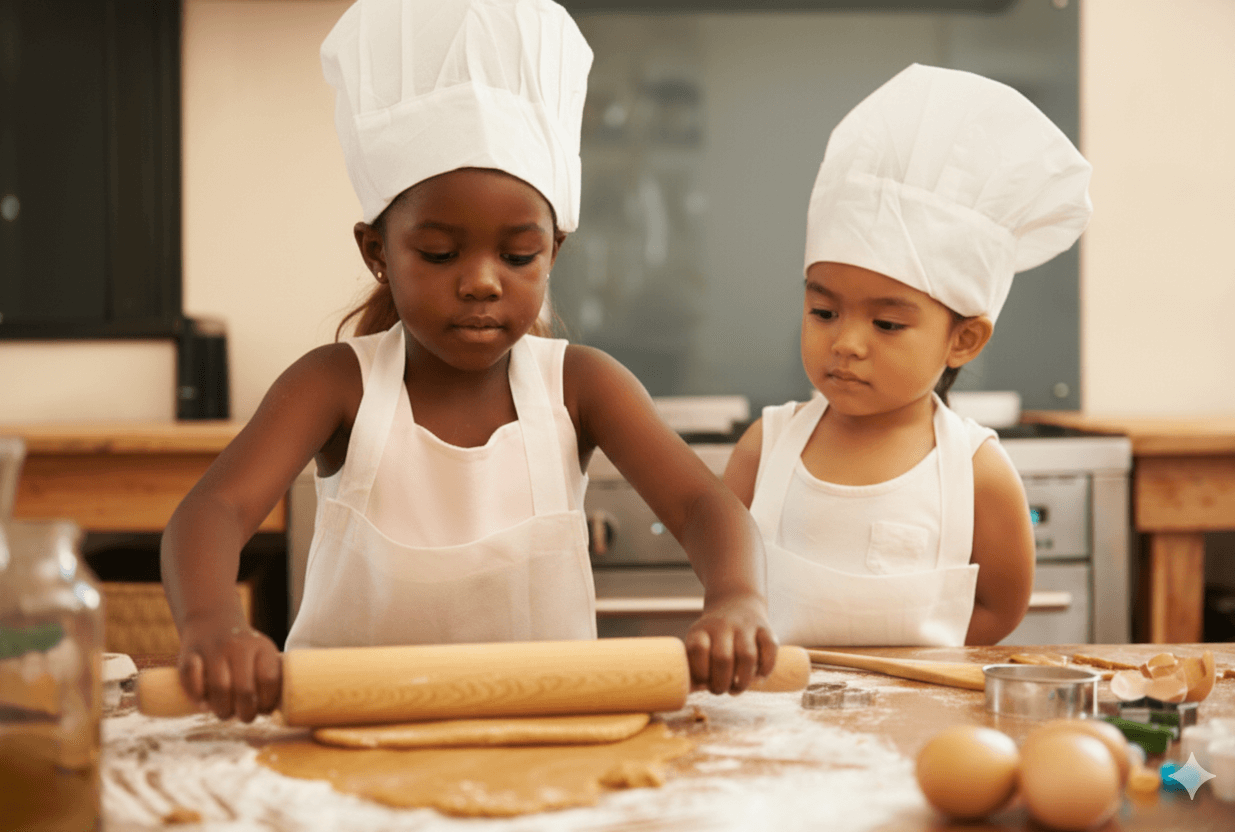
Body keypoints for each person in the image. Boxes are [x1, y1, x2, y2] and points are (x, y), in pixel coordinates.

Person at [161, 0, 776, 723]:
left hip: (549, 738)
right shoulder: (336, 385)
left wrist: (736, 598)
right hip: (345, 741)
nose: (483, 280)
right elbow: (213, 509)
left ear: (553, 254)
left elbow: (705, 506)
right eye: (441, 252)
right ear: (377, 252)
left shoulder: (581, 386)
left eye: (518, 256)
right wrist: (213, 625)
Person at [722, 64, 1092, 648]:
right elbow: (724, 578)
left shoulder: (977, 472)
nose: (846, 342)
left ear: (963, 339)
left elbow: (1000, 607)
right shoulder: (763, 450)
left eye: (887, 323)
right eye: (824, 312)